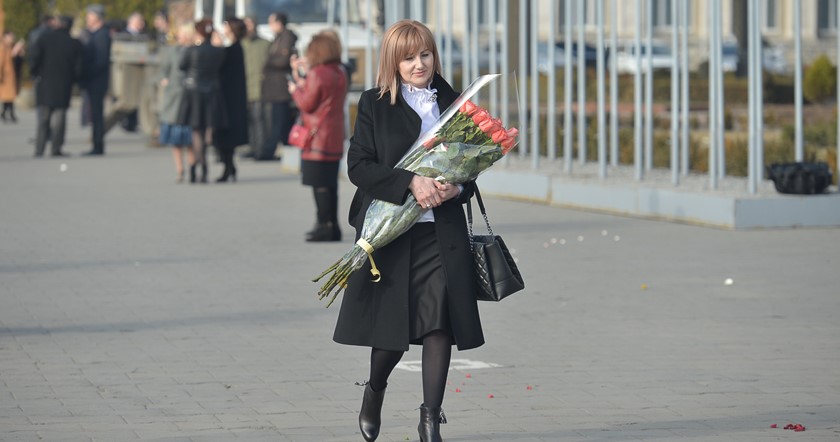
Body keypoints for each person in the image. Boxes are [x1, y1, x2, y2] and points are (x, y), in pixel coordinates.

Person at [333, 20, 483, 442]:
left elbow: (470, 166)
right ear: (393, 62)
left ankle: (430, 420)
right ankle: (375, 391)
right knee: (392, 334)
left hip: (442, 231)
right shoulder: (375, 104)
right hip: (392, 230)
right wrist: (409, 183)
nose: (419, 64)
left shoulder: (455, 102)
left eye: (425, 54)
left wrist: (457, 187)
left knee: (440, 324)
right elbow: (358, 166)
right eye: (409, 57)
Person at [289, 32, 347, 241]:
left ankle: (324, 224)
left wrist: (295, 90)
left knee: (319, 184)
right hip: (333, 134)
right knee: (330, 183)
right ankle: (333, 224)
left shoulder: (318, 73)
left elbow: (307, 103)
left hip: (316, 137)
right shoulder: (339, 72)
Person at [176, 19, 225, 183]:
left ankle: (195, 166)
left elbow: (182, 66)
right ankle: (203, 167)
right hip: (212, 92)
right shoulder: (218, 51)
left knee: (196, 130)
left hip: (194, 91)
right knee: (206, 131)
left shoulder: (191, 50)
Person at [29, 16, 83, 157]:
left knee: (43, 118)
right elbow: (79, 68)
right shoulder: (74, 43)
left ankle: (39, 149)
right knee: (60, 118)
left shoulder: (44, 39)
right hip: (63, 84)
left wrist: (35, 73)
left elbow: (34, 58)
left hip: (44, 82)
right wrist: (74, 80)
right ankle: (56, 148)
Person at [158, 24, 195, 182]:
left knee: (190, 138)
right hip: (173, 98)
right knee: (175, 138)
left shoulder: (195, 50)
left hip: (190, 97)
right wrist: (164, 79)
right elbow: (164, 69)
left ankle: (192, 166)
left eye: (184, 33)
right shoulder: (172, 51)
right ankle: (180, 169)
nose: (181, 36)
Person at [258, 11, 297, 161]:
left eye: (271, 22)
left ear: (279, 23)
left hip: (280, 88)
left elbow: (282, 60)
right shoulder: (278, 38)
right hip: (275, 88)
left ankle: (271, 149)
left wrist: (268, 62)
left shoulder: (286, 38)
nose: (270, 26)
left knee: (280, 121)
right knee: (280, 120)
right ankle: (286, 148)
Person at [214, 18, 249, 183]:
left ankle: (229, 167)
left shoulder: (233, 49)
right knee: (224, 134)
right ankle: (229, 166)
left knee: (226, 133)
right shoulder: (233, 48)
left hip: (229, 98)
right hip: (229, 97)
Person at [80, 4, 111, 156]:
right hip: (94, 81)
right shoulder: (94, 34)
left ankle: (98, 145)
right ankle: (96, 144)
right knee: (95, 114)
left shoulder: (101, 35)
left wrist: (86, 72)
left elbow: (101, 60)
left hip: (97, 81)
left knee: (97, 114)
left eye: (90, 15)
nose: (87, 18)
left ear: (97, 17)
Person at [240, 16, 270, 159]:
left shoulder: (265, 44)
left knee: (259, 120)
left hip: (260, 88)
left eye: (250, 24)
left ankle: (261, 149)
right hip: (244, 88)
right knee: (248, 121)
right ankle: (251, 147)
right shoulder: (240, 44)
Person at [0, 32, 19, 122]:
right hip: (6, 76)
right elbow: (1, 62)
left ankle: (5, 113)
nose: (12, 38)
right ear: (4, 37)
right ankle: (10, 114)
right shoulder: (2, 47)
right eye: (10, 36)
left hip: (10, 75)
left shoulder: (9, 47)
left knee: (9, 97)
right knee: (8, 96)